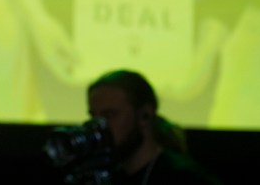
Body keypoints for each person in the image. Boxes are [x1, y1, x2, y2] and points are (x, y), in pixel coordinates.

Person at [84, 69, 224, 185]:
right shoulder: (104, 176)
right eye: (93, 117)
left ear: (145, 115)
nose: (98, 126)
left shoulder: (186, 179)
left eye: (110, 115)